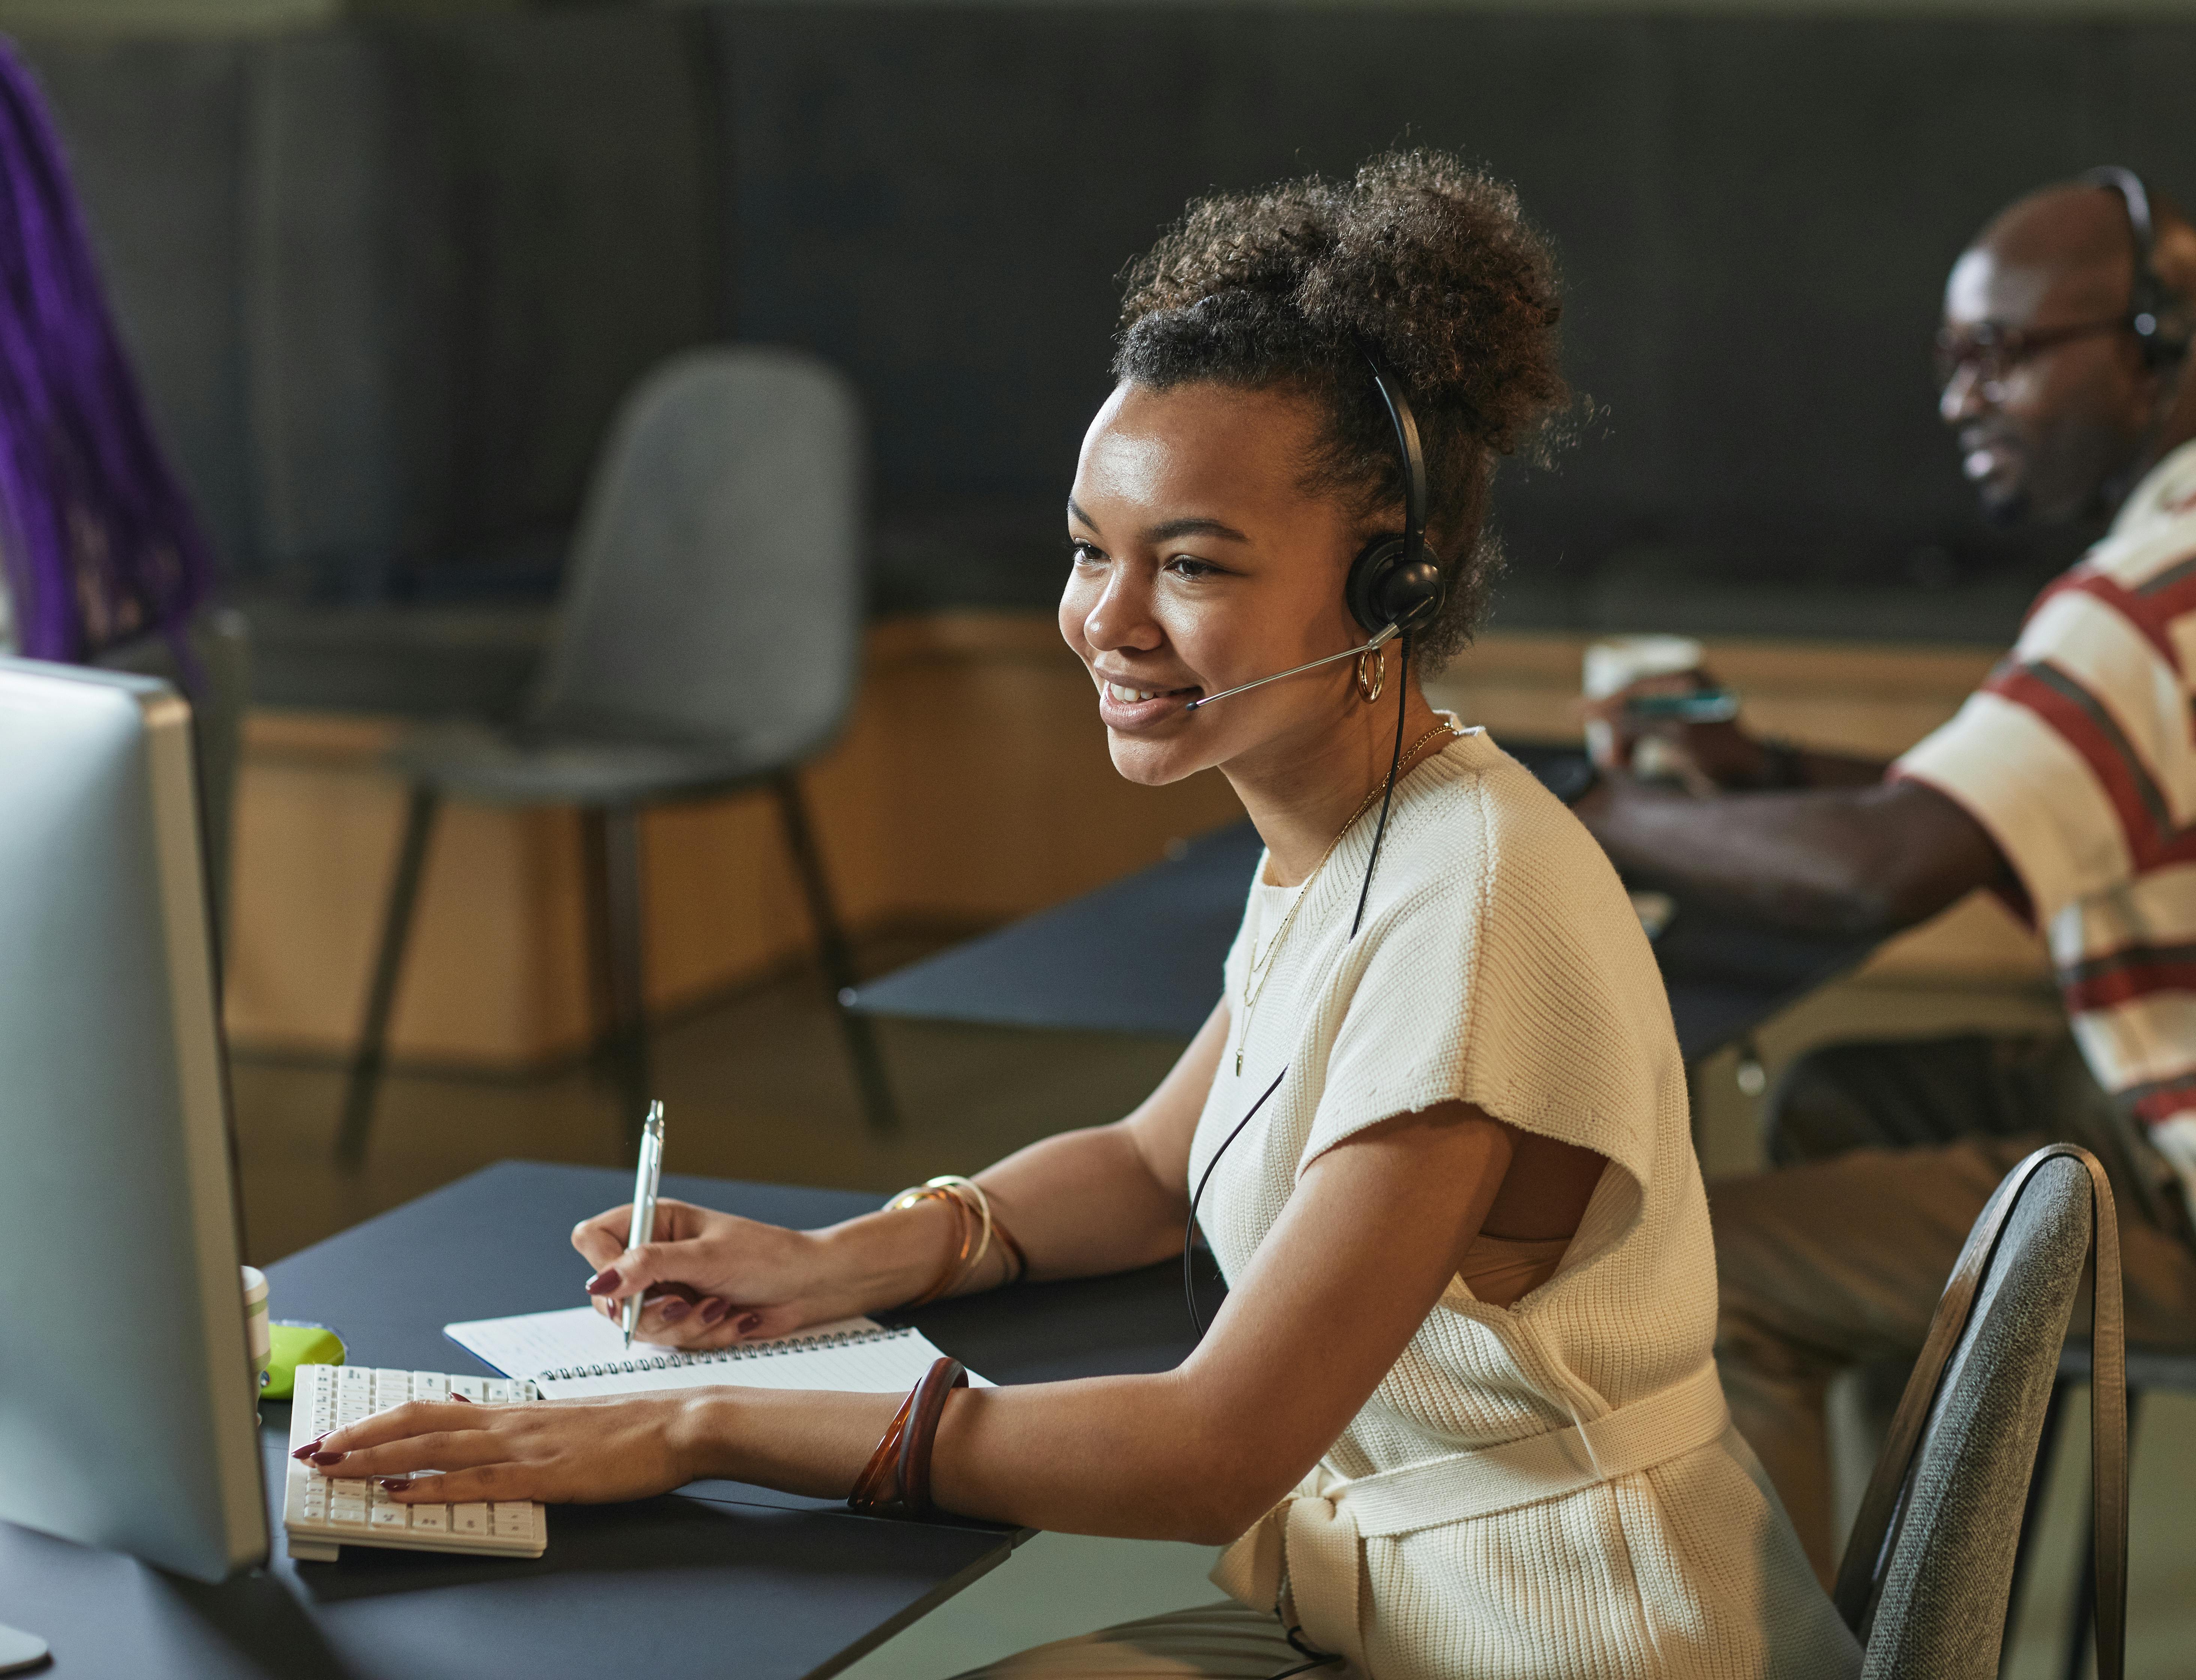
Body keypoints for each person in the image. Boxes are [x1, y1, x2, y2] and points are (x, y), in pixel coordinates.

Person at [299, 152, 1862, 1679]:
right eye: (1088, 549)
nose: (1107, 622)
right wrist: (839, 1263)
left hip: (1578, 1632)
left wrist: (694, 1423)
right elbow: (1147, 1165)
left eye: (1189, 563)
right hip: (1380, 1609)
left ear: (1387, 584)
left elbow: (1208, 1451)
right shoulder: (1361, 833)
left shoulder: (1476, 903)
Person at [1575, 171, 2196, 1580]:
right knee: (1833, 1103)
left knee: (1711, 1278)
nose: (1960, 402)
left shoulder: (2151, 607)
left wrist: (1593, 813)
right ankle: (1931, 1601)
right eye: (1951, 364)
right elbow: (1985, 800)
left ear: (2153, 344)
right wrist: (1764, 774)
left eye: (2002, 356)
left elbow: (1883, 873)